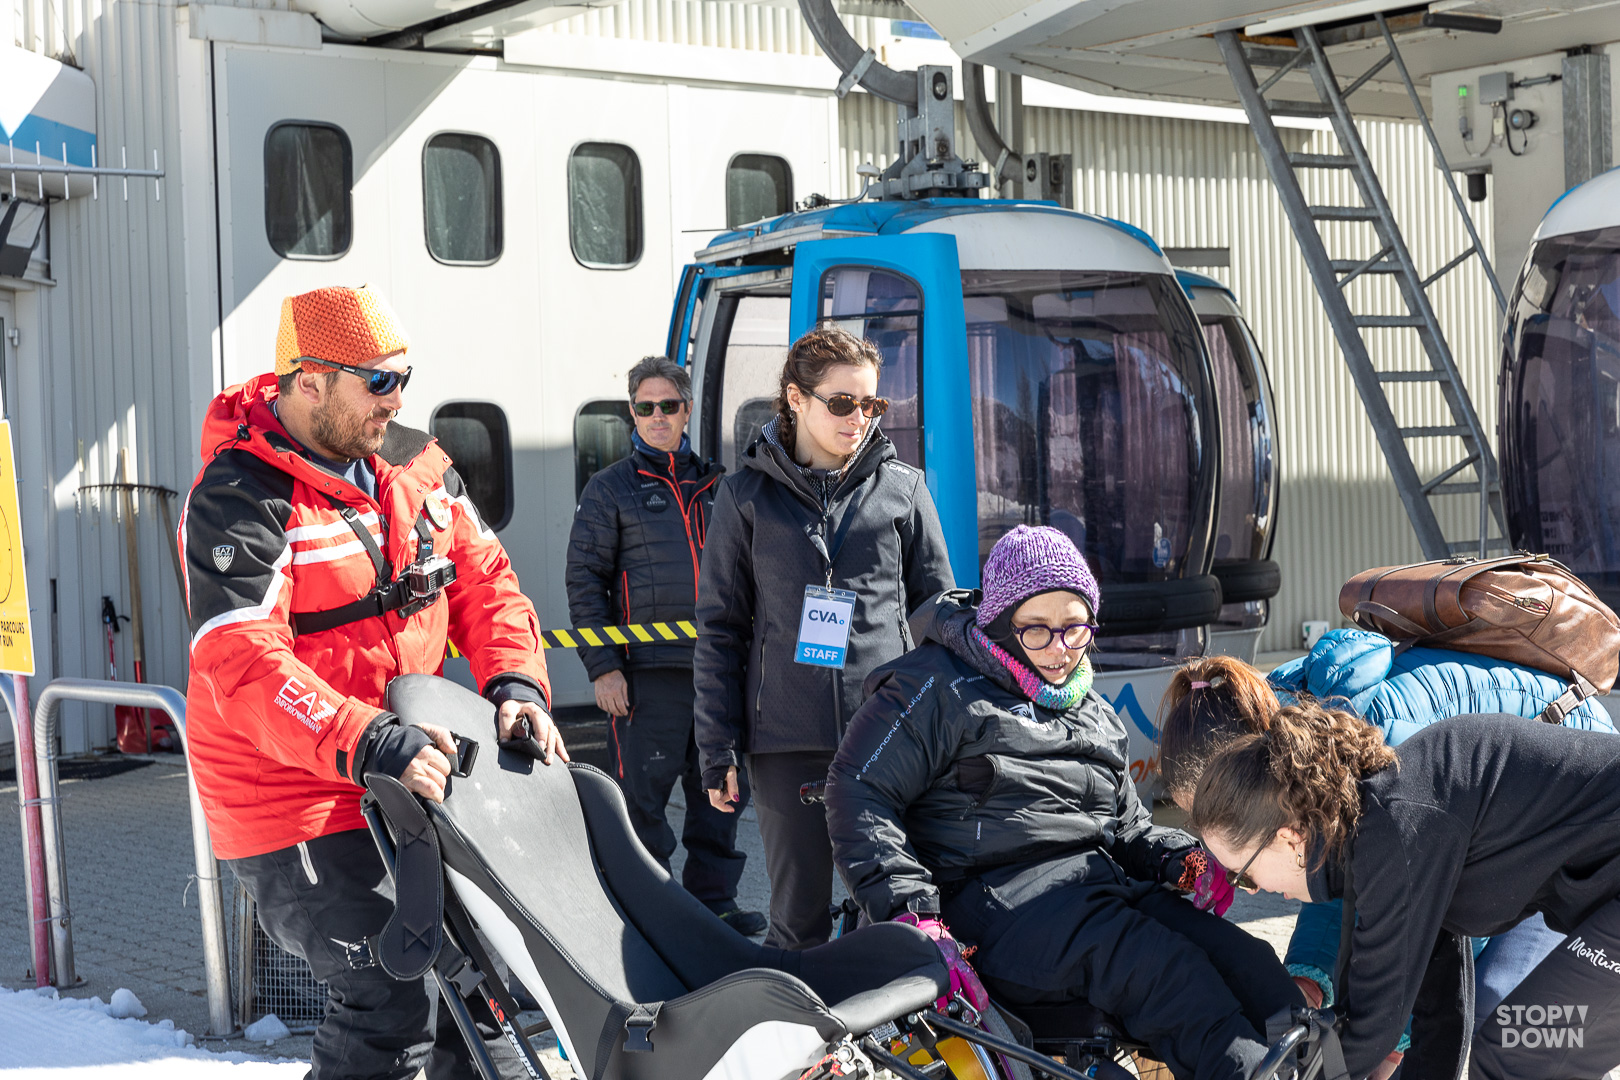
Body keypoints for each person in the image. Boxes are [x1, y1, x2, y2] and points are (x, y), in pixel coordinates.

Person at [181, 285, 566, 1080]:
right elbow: (242, 662)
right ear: (309, 379)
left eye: (404, 378)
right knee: (388, 1003)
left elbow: (486, 583)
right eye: (378, 381)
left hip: (404, 774)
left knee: (481, 993)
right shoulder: (238, 497)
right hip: (291, 796)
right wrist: (368, 738)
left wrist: (517, 684)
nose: (396, 400)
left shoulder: (416, 465)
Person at [826, 526, 1302, 1080]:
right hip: (992, 904)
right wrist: (912, 913)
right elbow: (857, 790)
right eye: (1037, 630)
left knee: (1247, 963)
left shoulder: (1091, 708)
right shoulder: (935, 688)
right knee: (1170, 975)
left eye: (1075, 628)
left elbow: (1126, 826)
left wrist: (1180, 856)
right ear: (1000, 622)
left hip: (1094, 890)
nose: (1059, 649)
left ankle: (1311, 1061)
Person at [1157, 640, 1618, 1078]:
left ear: (1288, 836)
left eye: (1243, 875)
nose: (1253, 889)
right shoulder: (1366, 826)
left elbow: (1374, 1023)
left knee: (1517, 1048)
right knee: (1523, 1038)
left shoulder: (1397, 824)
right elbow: (1436, 1005)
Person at [694, 325, 954, 949]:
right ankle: (800, 1018)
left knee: (895, 911)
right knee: (799, 920)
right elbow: (721, 630)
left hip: (890, 733)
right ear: (796, 398)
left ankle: (894, 1013)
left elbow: (940, 615)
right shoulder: (744, 497)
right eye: (842, 402)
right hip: (786, 742)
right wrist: (717, 748)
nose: (859, 418)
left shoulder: (904, 489)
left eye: (871, 403)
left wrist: (954, 729)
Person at [565, 355, 764, 936]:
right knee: (641, 803)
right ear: (632, 413)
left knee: (720, 794)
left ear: (686, 410)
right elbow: (585, 581)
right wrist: (603, 667)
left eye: (668, 405)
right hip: (645, 676)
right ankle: (652, 912)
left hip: (719, 672)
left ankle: (714, 907)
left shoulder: (722, 487)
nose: (658, 416)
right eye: (645, 406)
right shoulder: (610, 489)